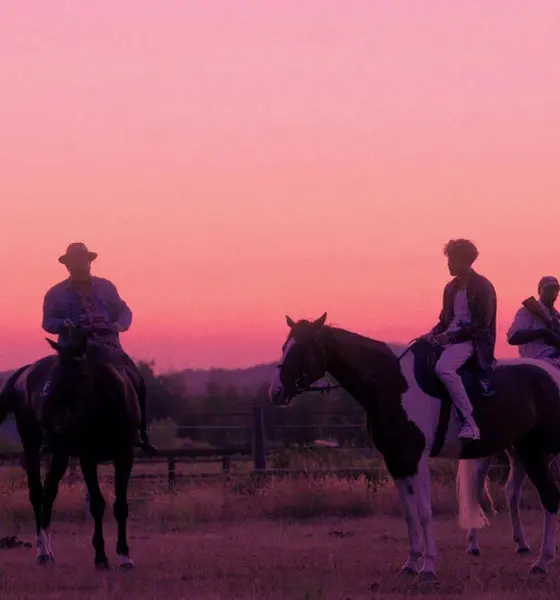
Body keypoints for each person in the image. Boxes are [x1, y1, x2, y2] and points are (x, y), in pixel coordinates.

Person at [42, 242, 155, 453]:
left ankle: (139, 431)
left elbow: (124, 311)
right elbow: (47, 322)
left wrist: (119, 325)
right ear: (67, 265)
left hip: (108, 347)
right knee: (53, 385)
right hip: (74, 349)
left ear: (89, 262)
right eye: (74, 262)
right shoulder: (55, 294)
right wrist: (63, 324)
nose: (79, 265)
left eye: (82, 260)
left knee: (136, 379)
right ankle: (51, 433)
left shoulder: (106, 287)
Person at [423, 239, 497, 441]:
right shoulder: (450, 288)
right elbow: (445, 320)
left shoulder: (483, 287)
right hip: (452, 338)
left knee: (443, 368)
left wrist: (450, 336)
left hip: (474, 342)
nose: (448, 264)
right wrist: (431, 334)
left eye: (452, 260)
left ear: (465, 260)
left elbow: (482, 326)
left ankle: (469, 422)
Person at [507, 276, 560, 367]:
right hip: (537, 364)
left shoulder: (557, 317)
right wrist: (542, 333)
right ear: (539, 291)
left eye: (555, 289)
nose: (552, 292)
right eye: (548, 289)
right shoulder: (527, 311)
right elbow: (513, 337)